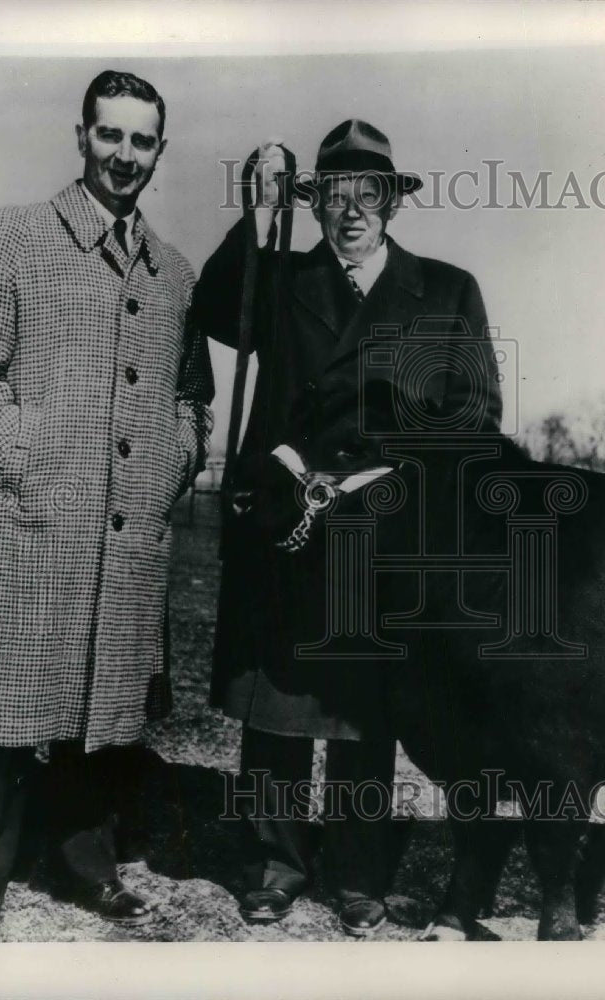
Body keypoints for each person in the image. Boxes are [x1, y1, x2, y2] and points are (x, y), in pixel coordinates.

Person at [192, 119, 502, 936]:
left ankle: (358, 874)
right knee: (279, 707)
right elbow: (216, 307)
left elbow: (474, 416)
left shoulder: (446, 291)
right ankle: (274, 865)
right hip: (287, 524)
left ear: (392, 204)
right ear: (316, 204)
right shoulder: (281, 279)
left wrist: (399, 480)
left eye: (370, 194)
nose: (353, 210)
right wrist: (257, 213)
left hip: (383, 536)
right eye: (335, 195)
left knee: (368, 712)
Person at [0, 69, 214, 940]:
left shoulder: (174, 272)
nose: (124, 154)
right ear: (82, 137)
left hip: (126, 535)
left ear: (159, 150)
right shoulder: (13, 236)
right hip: (24, 523)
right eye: (110, 134)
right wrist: (15, 463)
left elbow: (192, 397)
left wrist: (172, 463)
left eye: (141, 140)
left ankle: (85, 866)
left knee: (98, 712)